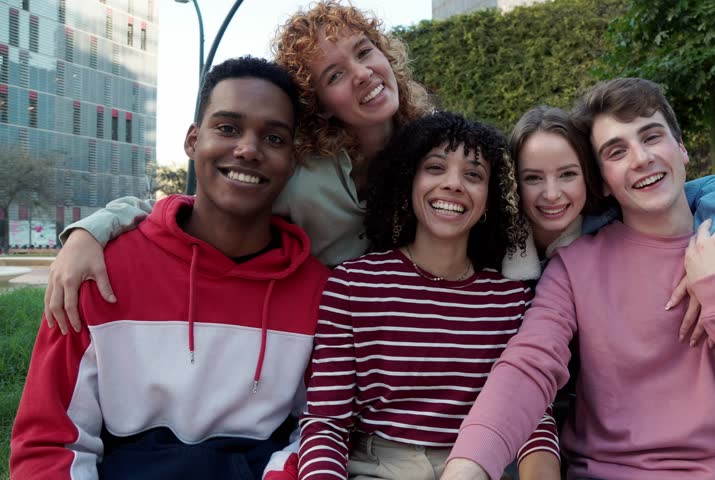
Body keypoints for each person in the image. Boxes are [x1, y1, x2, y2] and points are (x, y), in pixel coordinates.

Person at [442, 78, 715, 480]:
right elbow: (529, 366)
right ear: (603, 182)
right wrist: (468, 466)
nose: (641, 158)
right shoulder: (575, 265)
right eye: (616, 151)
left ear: (681, 148)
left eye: (651, 136)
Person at [10, 56, 330, 480]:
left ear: (292, 160)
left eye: (273, 138)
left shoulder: (321, 291)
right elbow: (48, 443)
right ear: (193, 140)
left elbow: (320, 430)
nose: (248, 149)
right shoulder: (96, 270)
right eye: (228, 128)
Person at [43, 0, 432, 333]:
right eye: (336, 75)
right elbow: (201, 212)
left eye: (364, 52)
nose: (362, 73)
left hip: (416, 337)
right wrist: (89, 232)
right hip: (316, 341)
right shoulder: (300, 173)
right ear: (319, 102)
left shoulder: (437, 153)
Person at [297, 111, 560, 480]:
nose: (453, 184)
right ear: (408, 180)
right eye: (435, 168)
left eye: (473, 174)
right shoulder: (353, 285)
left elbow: (534, 422)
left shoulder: (510, 301)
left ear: (490, 198)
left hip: (480, 467)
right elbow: (327, 425)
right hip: (376, 469)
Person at [503, 106, 715, 346]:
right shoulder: (493, 235)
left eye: (568, 174)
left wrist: (709, 253)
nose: (552, 194)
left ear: (591, 176)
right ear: (513, 181)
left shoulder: (611, 212)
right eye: (532, 178)